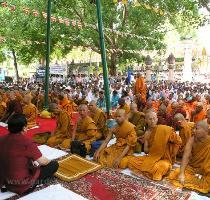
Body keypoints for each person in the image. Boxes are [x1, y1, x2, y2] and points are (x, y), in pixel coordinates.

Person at [0, 114, 58, 195]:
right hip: (19, 183)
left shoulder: (1, 139)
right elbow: (43, 161)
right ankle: (36, 183)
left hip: (4, 180)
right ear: (24, 128)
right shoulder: (26, 141)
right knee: (54, 165)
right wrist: (49, 162)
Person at [128, 112, 182, 181]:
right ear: (146, 121)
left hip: (164, 159)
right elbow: (146, 151)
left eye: (154, 119)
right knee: (131, 161)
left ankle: (155, 170)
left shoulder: (164, 129)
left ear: (157, 119)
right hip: (152, 158)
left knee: (160, 167)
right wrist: (148, 144)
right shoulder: (147, 133)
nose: (152, 121)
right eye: (150, 119)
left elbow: (178, 141)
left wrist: (173, 153)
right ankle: (151, 171)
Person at [168, 121, 210, 194]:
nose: (194, 131)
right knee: (176, 174)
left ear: (205, 131)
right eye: (193, 128)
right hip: (193, 168)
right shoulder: (192, 140)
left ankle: (199, 180)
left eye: (196, 129)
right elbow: (186, 157)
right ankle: (198, 180)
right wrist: (181, 173)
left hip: (206, 170)